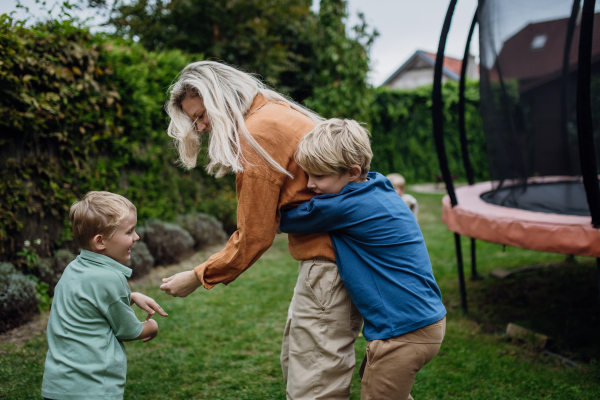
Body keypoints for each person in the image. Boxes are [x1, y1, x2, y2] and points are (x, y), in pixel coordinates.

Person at [159, 61, 362, 400]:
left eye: (201, 115)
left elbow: (253, 236)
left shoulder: (257, 134)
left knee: (313, 387)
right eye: (195, 120)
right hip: (339, 259)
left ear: (220, 97)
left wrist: (196, 277)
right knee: (303, 366)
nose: (202, 126)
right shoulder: (276, 110)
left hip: (329, 265)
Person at [278, 119, 447, 400]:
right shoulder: (379, 185)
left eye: (318, 176)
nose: (309, 184)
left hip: (402, 333)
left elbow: (285, 219)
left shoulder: (344, 206)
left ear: (353, 171)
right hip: (425, 322)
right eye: (307, 175)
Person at [42, 191, 167, 400]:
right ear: (100, 242)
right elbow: (128, 330)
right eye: (129, 232)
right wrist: (152, 327)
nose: (136, 237)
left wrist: (131, 296)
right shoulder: (109, 278)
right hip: (92, 388)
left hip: (58, 386)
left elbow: (91, 304)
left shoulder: (74, 269)